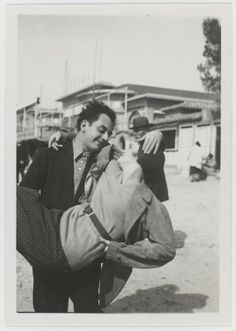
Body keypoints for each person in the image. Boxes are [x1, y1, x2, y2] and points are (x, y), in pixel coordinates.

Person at [19, 101, 164, 313]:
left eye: (109, 133)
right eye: (102, 130)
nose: (105, 137)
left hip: (88, 260)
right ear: (84, 125)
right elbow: (23, 200)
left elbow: (144, 171)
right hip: (49, 259)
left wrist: (157, 137)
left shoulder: (108, 162)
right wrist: (37, 247)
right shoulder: (49, 155)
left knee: (87, 314)